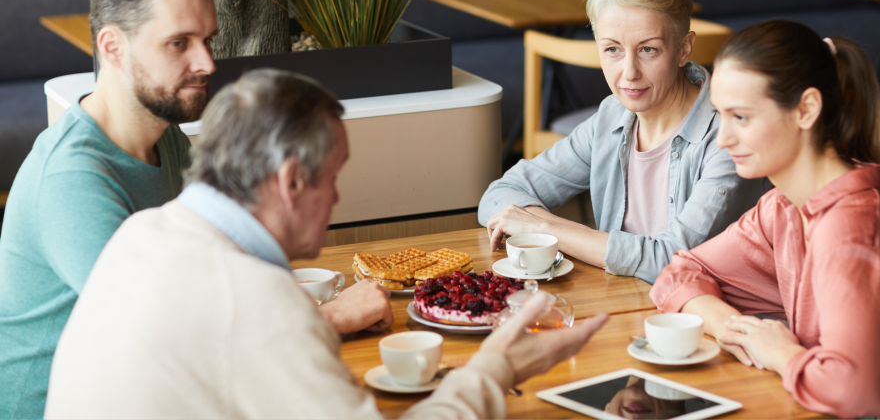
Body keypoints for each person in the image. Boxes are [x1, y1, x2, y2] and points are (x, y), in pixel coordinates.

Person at [45, 69, 609, 419]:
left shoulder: (141, 233)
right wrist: (494, 372)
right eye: (333, 176)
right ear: (292, 181)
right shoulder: (256, 299)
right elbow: (250, 326)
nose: (337, 199)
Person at [0, 0, 389, 419]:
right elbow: (171, 328)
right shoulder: (72, 180)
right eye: (179, 43)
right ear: (112, 47)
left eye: (208, 40)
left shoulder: (166, 137)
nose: (206, 63)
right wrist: (330, 317)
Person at [650, 20, 880, 418]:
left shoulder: (851, 230)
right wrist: (732, 329)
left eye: (740, 117)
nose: (722, 138)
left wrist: (782, 353)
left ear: (806, 109)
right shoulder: (783, 207)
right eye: (719, 115)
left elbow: (853, 392)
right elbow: (679, 273)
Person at [481, 0, 767, 283]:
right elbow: (502, 193)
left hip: (712, 323)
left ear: (684, 49)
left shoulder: (727, 135)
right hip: (624, 306)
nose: (629, 73)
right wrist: (535, 224)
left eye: (648, 49)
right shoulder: (613, 117)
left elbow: (671, 261)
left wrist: (543, 228)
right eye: (613, 49)